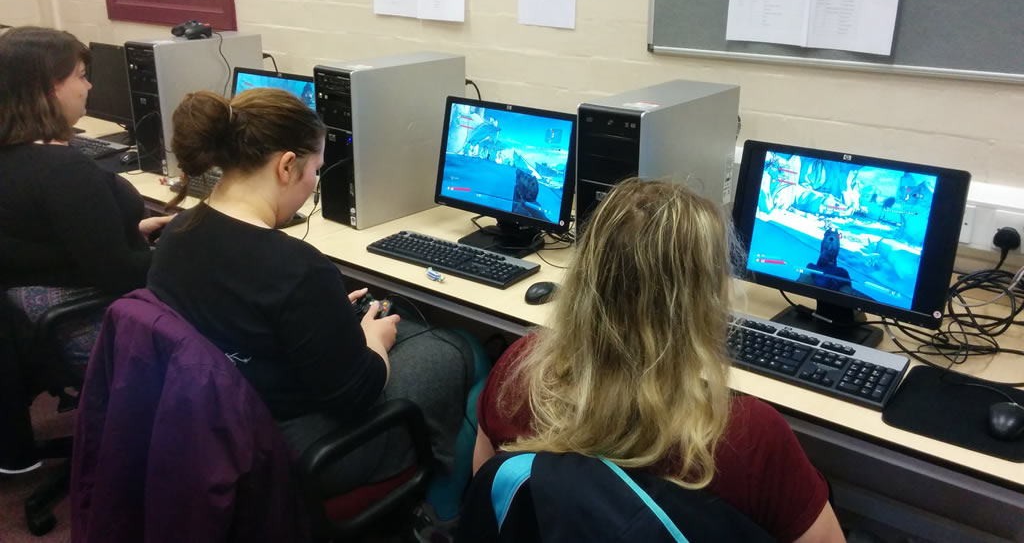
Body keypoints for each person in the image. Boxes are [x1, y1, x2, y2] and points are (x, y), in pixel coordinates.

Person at [470, 178, 845, 543]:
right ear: (704, 297)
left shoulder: (519, 371)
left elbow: (490, 494)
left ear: (586, 273)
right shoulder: (750, 436)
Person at [147, 88, 470, 502]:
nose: (314, 184)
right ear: (286, 166)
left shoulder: (175, 233)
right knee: (456, 351)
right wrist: (373, 342)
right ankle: (440, 508)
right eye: (315, 170)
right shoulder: (296, 268)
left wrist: (326, 317)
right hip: (293, 450)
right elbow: (356, 395)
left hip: (213, 432)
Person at [0, 27, 170, 369]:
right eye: (80, 76)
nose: (89, 87)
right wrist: (187, 245)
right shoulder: (64, 170)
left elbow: (43, 241)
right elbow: (118, 275)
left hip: (34, 314)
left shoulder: (14, 154)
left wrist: (131, 229)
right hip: (85, 320)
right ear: (49, 88)